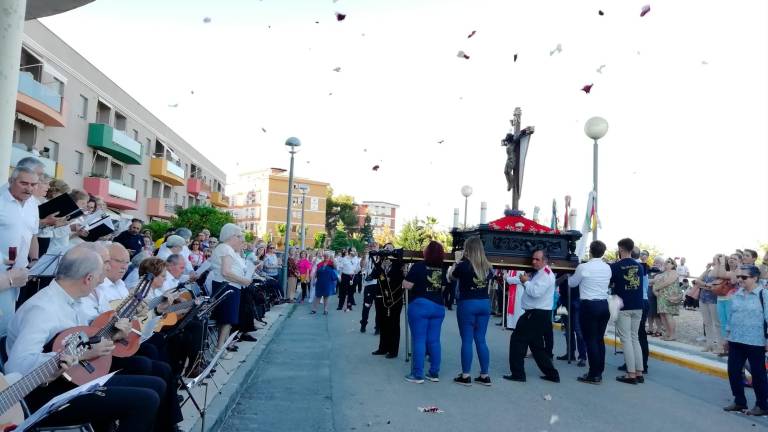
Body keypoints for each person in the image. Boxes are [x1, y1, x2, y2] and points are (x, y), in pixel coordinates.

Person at [4, 245, 164, 431]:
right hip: (46, 393)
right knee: (145, 400)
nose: (100, 281)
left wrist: (114, 337)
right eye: (99, 276)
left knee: (156, 385)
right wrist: (79, 354)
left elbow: (84, 342)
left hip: (73, 379)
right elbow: (16, 367)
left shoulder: (74, 300)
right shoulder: (42, 310)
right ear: (88, 279)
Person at [504, 249, 560, 383]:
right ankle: (552, 374)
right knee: (537, 346)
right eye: (533, 259)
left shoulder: (545, 275)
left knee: (518, 340)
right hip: (536, 313)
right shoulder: (539, 273)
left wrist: (525, 282)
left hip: (536, 314)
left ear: (545, 261)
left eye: (537, 259)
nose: (533, 261)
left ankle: (518, 374)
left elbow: (535, 292)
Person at [722, 265, 768, 416]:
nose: (740, 279)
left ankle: (762, 405)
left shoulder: (764, 294)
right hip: (736, 339)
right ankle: (739, 401)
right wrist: (727, 337)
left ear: (755, 278)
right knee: (733, 372)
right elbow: (731, 316)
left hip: (756, 341)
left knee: (758, 374)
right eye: (739, 276)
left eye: (744, 277)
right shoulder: (737, 294)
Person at [449, 236, 493, 386]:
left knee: (467, 340)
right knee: (481, 339)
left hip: (468, 303)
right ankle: (484, 375)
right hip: (484, 303)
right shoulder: (488, 266)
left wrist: (456, 263)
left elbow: (451, 277)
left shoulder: (463, 265)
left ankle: (466, 375)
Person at [402, 241, 447, 383]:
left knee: (419, 340)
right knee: (434, 340)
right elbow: (444, 287)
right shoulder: (442, 268)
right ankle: (434, 373)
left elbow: (407, 285)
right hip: (438, 306)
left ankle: (417, 374)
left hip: (420, 305)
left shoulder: (419, 266)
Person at [569, 240, 611, 384]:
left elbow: (572, 283)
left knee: (591, 340)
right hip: (604, 305)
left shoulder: (584, 267)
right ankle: (599, 370)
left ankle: (593, 374)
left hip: (589, 305)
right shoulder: (607, 268)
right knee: (599, 339)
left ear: (591, 251)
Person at [209, 223, 250, 360]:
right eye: (239, 236)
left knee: (228, 319)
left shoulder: (229, 249)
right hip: (227, 286)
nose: (241, 239)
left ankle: (222, 347)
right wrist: (243, 280)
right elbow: (226, 272)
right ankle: (219, 349)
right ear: (231, 236)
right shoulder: (225, 248)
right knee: (226, 319)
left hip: (231, 286)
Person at [611, 238, 645, 384]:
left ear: (621, 249)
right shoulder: (640, 266)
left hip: (624, 306)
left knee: (626, 340)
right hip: (638, 305)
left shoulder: (616, 266)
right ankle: (639, 372)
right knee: (634, 338)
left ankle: (630, 374)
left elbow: (610, 282)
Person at [371, 243, 405, 359]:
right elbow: (373, 275)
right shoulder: (380, 262)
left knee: (394, 323)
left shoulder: (398, 263)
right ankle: (382, 348)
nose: (387, 251)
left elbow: (401, 276)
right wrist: (379, 262)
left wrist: (395, 257)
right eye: (385, 249)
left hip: (395, 297)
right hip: (382, 297)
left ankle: (393, 350)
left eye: (390, 249)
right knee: (383, 322)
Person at [652, 258, 683, 341]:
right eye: (666, 262)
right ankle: (667, 333)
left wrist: (656, 288)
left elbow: (668, 282)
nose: (666, 263)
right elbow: (655, 281)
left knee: (668, 315)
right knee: (662, 315)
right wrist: (655, 290)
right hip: (661, 296)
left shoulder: (674, 272)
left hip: (669, 296)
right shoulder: (663, 273)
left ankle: (672, 335)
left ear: (673, 265)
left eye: (669, 262)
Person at [360, 243, 381, 333]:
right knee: (366, 306)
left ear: (378, 248)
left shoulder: (381, 257)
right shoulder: (367, 256)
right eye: (371, 247)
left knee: (379, 308)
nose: (373, 248)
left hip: (379, 285)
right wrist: (364, 256)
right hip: (369, 285)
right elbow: (362, 266)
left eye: (374, 247)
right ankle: (363, 324)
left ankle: (378, 327)